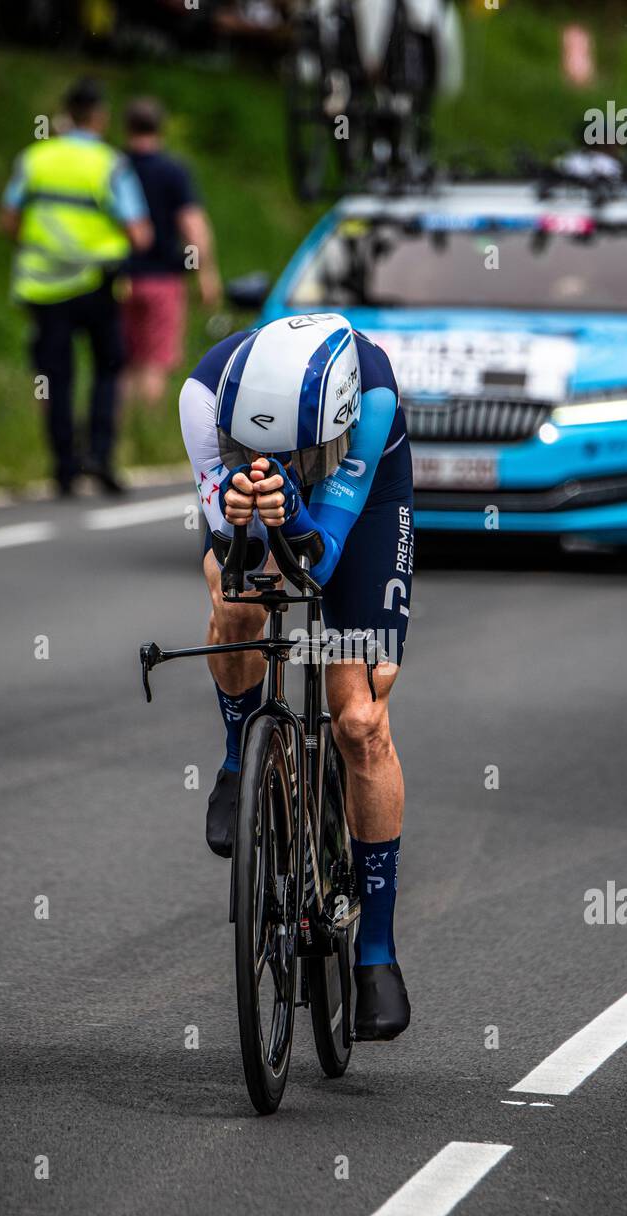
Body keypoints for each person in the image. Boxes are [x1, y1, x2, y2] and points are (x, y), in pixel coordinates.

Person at [179, 312, 414, 1041]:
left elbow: (321, 558)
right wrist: (240, 514)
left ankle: (375, 952)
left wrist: (295, 513)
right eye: (252, 443)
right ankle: (234, 758)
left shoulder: (371, 397)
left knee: (358, 719)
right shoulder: (201, 397)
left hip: (359, 506)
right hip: (260, 502)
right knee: (235, 603)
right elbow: (237, 552)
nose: (265, 454)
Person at [0, 77, 153, 496]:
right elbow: (139, 233)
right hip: (96, 285)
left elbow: (9, 220)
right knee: (108, 368)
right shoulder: (109, 164)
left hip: (43, 287)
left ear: (67, 113)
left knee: (55, 376)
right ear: (100, 117)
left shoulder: (35, 158)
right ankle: (100, 457)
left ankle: (64, 467)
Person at [122, 96, 222, 407]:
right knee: (154, 361)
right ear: (160, 128)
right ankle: (146, 436)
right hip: (163, 280)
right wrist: (205, 272)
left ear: (126, 127)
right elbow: (193, 225)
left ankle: (116, 437)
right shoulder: (173, 171)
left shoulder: (114, 168)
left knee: (124, 362)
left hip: (119, 278)